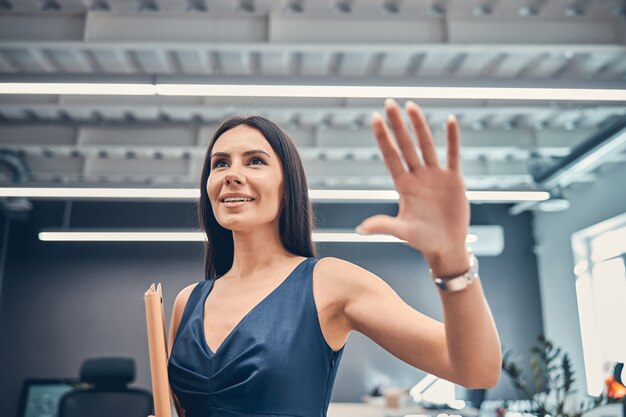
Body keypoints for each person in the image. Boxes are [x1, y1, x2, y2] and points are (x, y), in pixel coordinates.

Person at [154, 98, 502, 417]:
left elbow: (476, 369)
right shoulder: (188, 303)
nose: (231, 174)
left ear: (287, 186)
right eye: (220, 164)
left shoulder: (329, 283)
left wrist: (450, 257)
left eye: (255, 161)